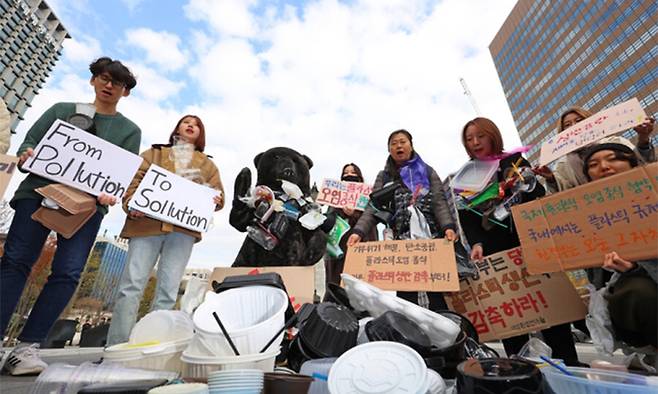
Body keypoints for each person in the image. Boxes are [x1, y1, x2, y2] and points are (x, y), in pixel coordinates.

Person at [0, 57, 140, 375]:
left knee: (69, 272)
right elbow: (30, 144)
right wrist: (28, 156)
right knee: (16, 262)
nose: (108, 86)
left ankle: (27, 347)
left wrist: (109, 194)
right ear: (93, 81)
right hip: (37, 194)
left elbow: (121, 172)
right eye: (103, 78)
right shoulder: (62, 109)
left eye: (116, 83)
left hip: (86, 208)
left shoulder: (129, 131)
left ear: (125, 92)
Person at [456, 117, 580, 365]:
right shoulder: (466, 175)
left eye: (480, 136)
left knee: (549, 301)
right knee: (509, 308)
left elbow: (537, 194)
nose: (475, 142)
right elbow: (466, 215)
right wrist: (477, 243)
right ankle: (518, 364)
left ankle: (568, 361)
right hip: (494, 247)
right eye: (469, 139)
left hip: (528, 240)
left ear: (493, 135)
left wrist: (528, 182)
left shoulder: (514, 161)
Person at [106, 115, 224, 346]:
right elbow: (134, 181)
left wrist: (215, 199)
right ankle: (116, 346)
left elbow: (217, 198)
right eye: (186, 122)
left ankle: (152, 347)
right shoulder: (153, 154)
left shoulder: (208, 165)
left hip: (182, 231)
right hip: (145, 225)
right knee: (131, 285)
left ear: (201, 133)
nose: (191, 125)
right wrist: (132, 204)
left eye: (197, 124)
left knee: (168, 291)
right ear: (177, 128)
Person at [347, 129, 457, 311]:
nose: (398, 146)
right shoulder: (384, 176)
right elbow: (372, 207)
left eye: (402, 141)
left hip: (431, 238)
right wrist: (358, 232)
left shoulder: (427, 171)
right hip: (401, 241)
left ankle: (441, 332)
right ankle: (410, 335)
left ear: (411, 145)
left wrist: (448, 226)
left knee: (436, 290)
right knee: (406, 295)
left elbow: (439, 201)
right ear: (389, 150)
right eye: (393, 143)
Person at [582, 142, 657, 349]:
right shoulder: (584, 218)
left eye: (614, 158)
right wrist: (630, 272)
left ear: (633, 164)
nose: (604, 167)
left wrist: (637, 270)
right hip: (631, 304)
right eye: (593, 164)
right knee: (633, 290)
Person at [535, 106, 655, 193]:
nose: (574, 126)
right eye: (567, 125)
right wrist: (551, 178)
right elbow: (564, 194)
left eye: (578, 121)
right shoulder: (563, 164)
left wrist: (643, 138)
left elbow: (643, 163)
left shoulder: (615, 142)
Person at [324, 163, 378, 286]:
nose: (349, 175)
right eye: (346, 173)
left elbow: (371, 221)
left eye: (353, 173)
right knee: (336, 282)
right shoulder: (334, 197)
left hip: (361, 245)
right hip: (338, 248)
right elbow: (329, 220)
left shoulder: (368, 197)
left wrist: (354, 214)